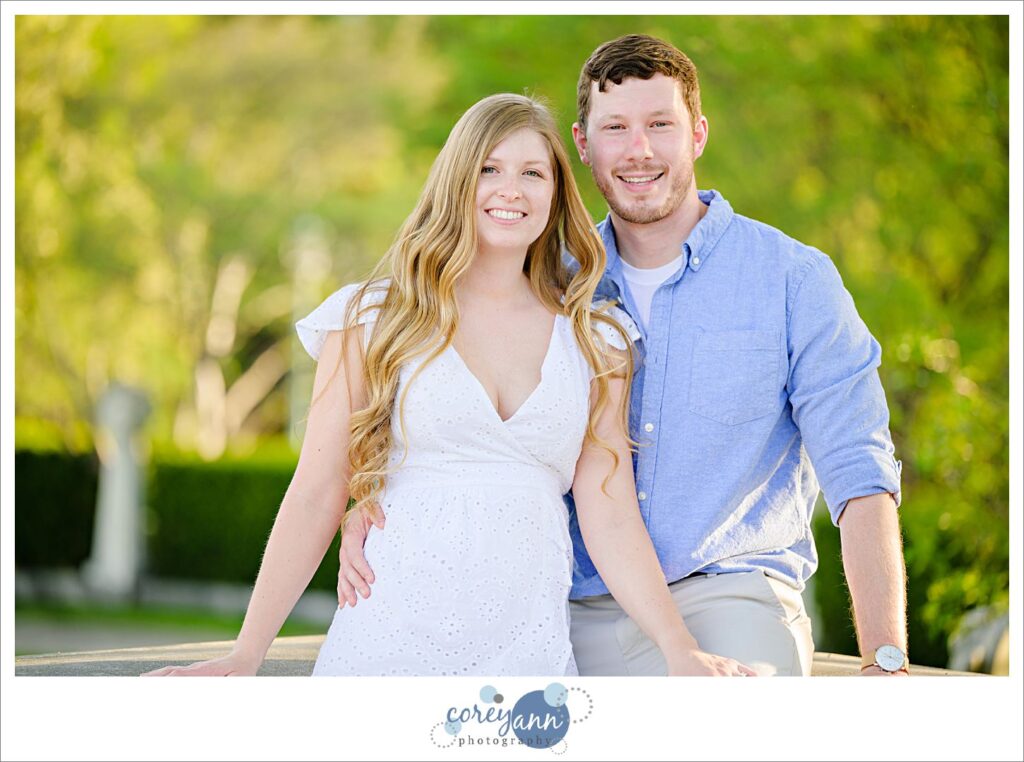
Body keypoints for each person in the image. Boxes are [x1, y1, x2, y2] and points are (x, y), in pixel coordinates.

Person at [338, 36, 909, 677]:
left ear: (697, 133)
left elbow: (859, 473)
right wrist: (373, 502)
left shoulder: (793, 280)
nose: (639, 150)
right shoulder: (546, 284)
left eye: (660, 124)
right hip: (560, 601)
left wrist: (885, 655)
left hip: (728, 595)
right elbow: (431, 391)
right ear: (583, 146)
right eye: (616, 128)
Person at [141, 93, 756, 677]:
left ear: (556, 193)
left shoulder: (597, 340)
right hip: (387, 641)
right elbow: (316, 490)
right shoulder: (373, 317)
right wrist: (246, 655)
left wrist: (679, 648)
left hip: (527, 657)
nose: (511, 190)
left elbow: (611, 512)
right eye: (489, 168)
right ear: (458, 181)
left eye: (533, 174)